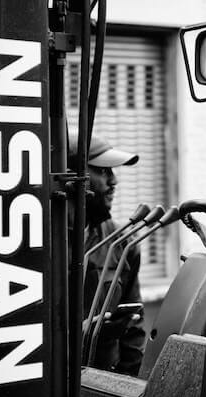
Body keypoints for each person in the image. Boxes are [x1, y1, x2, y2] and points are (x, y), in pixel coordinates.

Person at [68, 134, 146, 376]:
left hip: (103, 381)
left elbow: (134, 328)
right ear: (71, 177)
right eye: (103, 171)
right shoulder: (37, 245)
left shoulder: (123, 243)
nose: (114, 181)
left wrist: (126, 384)